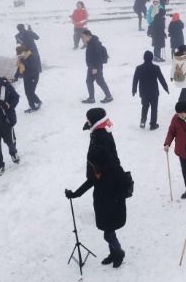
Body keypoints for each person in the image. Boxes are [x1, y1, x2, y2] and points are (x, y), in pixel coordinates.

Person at [65, 108, 129, 268]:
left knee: (108, 230)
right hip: (107, 191)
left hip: (108, 193)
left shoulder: (99, 147)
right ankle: (114, 252)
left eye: (88, 120)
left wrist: (76, 194)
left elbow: (93, 178)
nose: (86, 122)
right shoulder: (101, 134)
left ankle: (118, 251)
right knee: (108, 227)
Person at [132, 50, 169, 129]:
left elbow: (135, 80)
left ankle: (143, 121)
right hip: (154, 92)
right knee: (154, 108)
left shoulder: (139, 68)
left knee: (144, 106)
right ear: (152, 58)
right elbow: (161, 79)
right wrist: (166, 88)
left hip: (143, 92)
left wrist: (134, 89)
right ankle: (153, 124)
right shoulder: (156, 68)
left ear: (144, 58)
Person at [81, 29, 113, 104]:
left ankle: (109, 97)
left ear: (88, 36)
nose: (82, 38)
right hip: (92, 67)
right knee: (89, 81)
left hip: (96, 67)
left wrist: (95, 68)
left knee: (100, 81)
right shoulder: (90, 42)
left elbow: (98, 57)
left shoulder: (94, 44)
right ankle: (91, 98)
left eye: (83, 37)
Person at [13, 45, 42, 113]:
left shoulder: (32, 56)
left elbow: (32, 68)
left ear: (24, 51)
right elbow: (20, 67)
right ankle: (37, 102)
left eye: (20, 53)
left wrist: (24, 61)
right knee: (28, 92)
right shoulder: (22, 57)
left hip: (33, 77)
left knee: (30, 92)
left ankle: (33, 106)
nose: (18, 55)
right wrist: (16, 76)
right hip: (26, 77)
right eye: (18, 54)